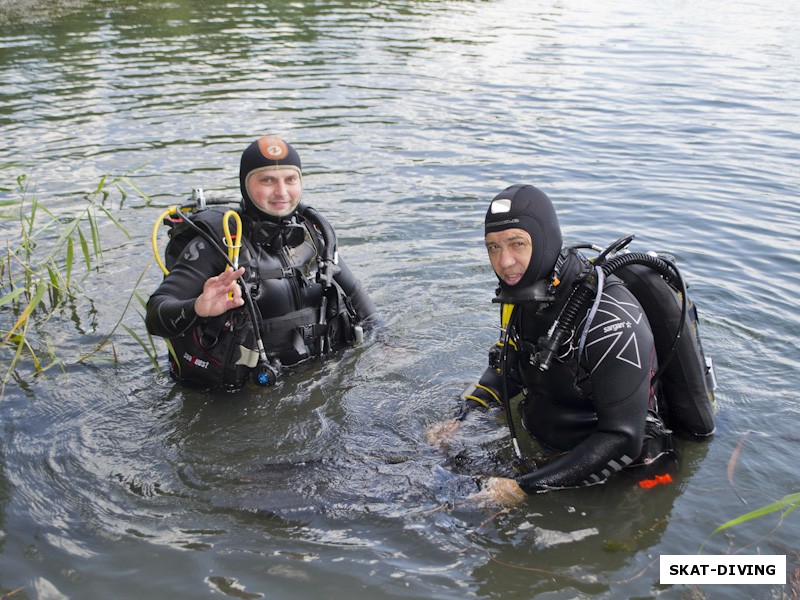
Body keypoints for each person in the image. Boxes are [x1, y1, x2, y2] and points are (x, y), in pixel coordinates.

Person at [427, 184, 715, 504]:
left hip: (622, 472)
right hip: (546, 451)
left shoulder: (609, 318)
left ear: (546, 241)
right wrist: (464, 414)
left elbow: (622, 439)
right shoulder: (522, 297)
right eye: (493, 247)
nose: (505, 261)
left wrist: (522, 488)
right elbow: (508, 368)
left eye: (517, 244)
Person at [146, 135, 378, 388]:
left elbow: (362, 304)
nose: (281, 192)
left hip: (317, 377)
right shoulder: (219, 243)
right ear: (245, 185)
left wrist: (389, 346)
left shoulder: (314, 236)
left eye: (290, 179)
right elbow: (156, 313)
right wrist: (196, 308)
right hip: (243, 396)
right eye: (267, 180)